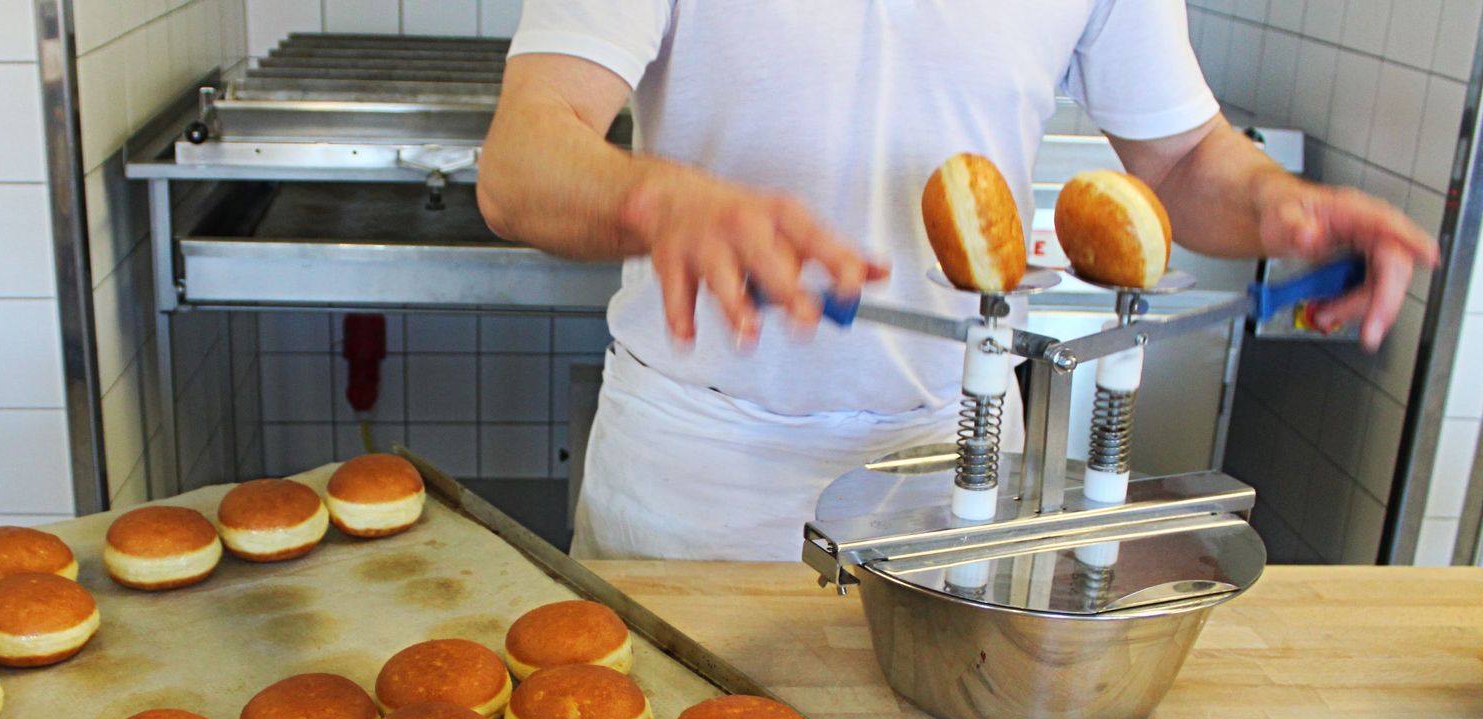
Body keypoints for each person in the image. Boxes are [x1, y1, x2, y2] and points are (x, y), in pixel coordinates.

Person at [478, 2, 1438, 561]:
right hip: (696, 480)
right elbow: (521, 161)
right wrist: (658, 198)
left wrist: (1280, 206)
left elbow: (1183, 158)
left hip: (957, 468)